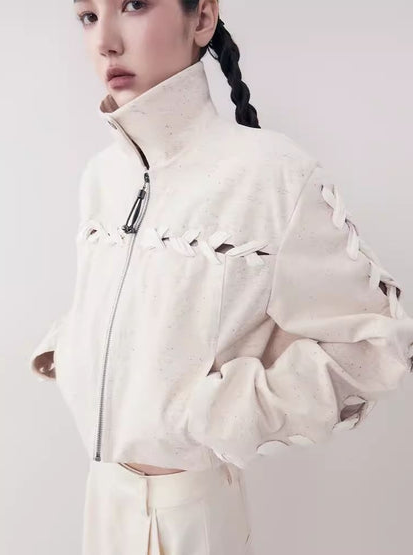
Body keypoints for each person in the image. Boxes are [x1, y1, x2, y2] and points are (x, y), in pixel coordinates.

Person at [29, 0, 413, 553]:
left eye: (134, 5)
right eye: (88, 16)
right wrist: (71, 352)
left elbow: (376, 344)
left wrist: (222, 413)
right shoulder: (102, 176)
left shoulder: (272, 174)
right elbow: (126, 303)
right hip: (100, 500)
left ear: (203, 19)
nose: (105, 41)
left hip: (190, 517)